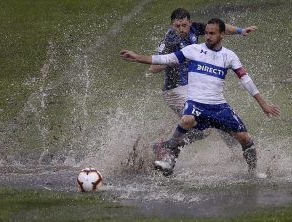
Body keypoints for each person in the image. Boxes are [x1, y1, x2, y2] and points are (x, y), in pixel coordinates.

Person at [120, 18, 280, 176]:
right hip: (196, 104)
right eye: (206, 33)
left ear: (222, 34)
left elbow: (246, 79)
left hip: (219, 107)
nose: (208, 36)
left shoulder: (229, 56)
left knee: (245, 139)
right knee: (186, 120)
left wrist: (263, 104)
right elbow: (165, 59)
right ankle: (169, 157)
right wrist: (137, 57)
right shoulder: (194, 50)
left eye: (212, 33)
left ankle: (253, 172)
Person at [149, 8, 258, 154]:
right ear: (171, 25)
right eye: (177, 26)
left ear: (190, 23)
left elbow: (220, 27)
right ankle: (166, 148)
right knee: (201, 128)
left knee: (219, 121)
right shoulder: (169, 40)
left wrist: (240, 30)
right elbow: (153, 67)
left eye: (184, 25)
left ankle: (235, 152)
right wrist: (176, 59)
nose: (181, 29)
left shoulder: (195, 28)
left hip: (190, 88)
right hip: (174, 90)